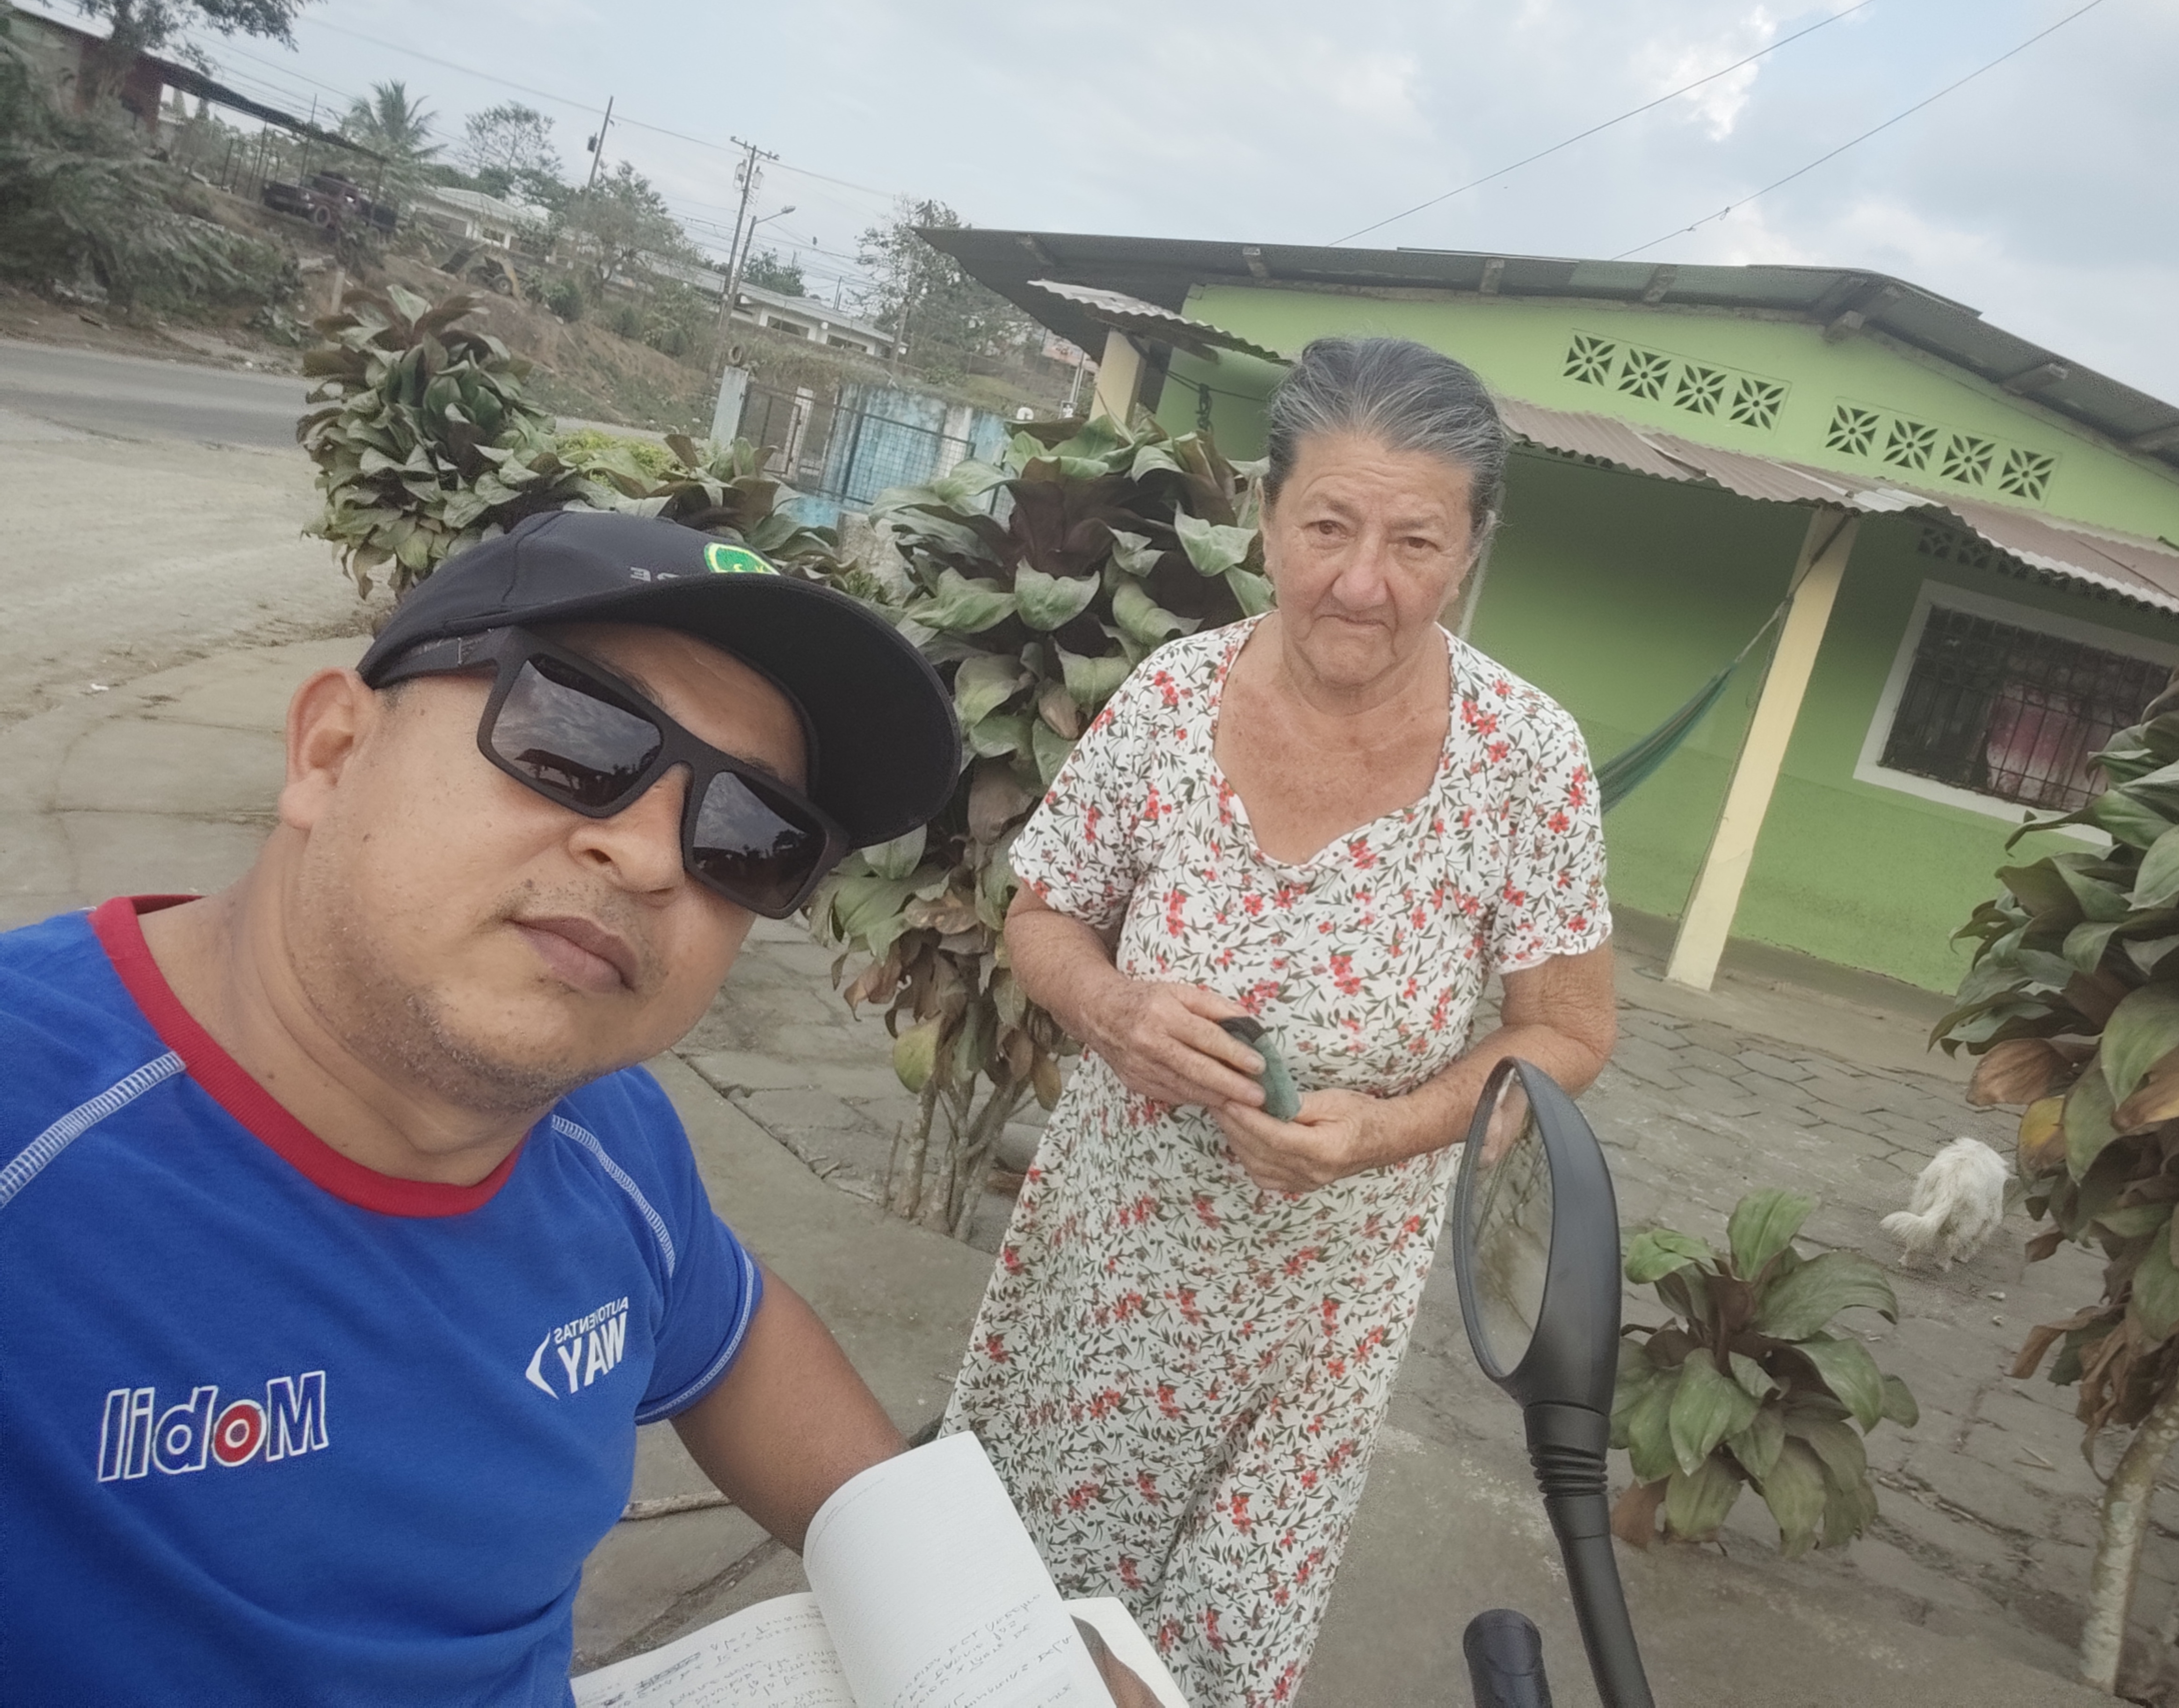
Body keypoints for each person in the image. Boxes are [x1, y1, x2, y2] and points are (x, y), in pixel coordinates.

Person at [0, 511, 966, 1705]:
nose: (652, 858)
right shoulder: (33, 1144)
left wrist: (993, 1640)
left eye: (748, 836)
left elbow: (734, 1343)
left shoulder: (610, 1142)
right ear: (331, 752)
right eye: (575, 734)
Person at [941, 336, 1621, 1708]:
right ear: (1266, 515)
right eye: (1327, 526)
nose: (1364, 582)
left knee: (1212, 1655)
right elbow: (1043, 913)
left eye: (1416, 542)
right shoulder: (1171, 700)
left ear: (1472, 549)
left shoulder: (1529, 760)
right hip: (1107, 1277)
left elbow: (1567, 1032)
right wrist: (1113, 1008)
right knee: (1019, 1630)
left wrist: (1391, 1129)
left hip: (1324, 1317)